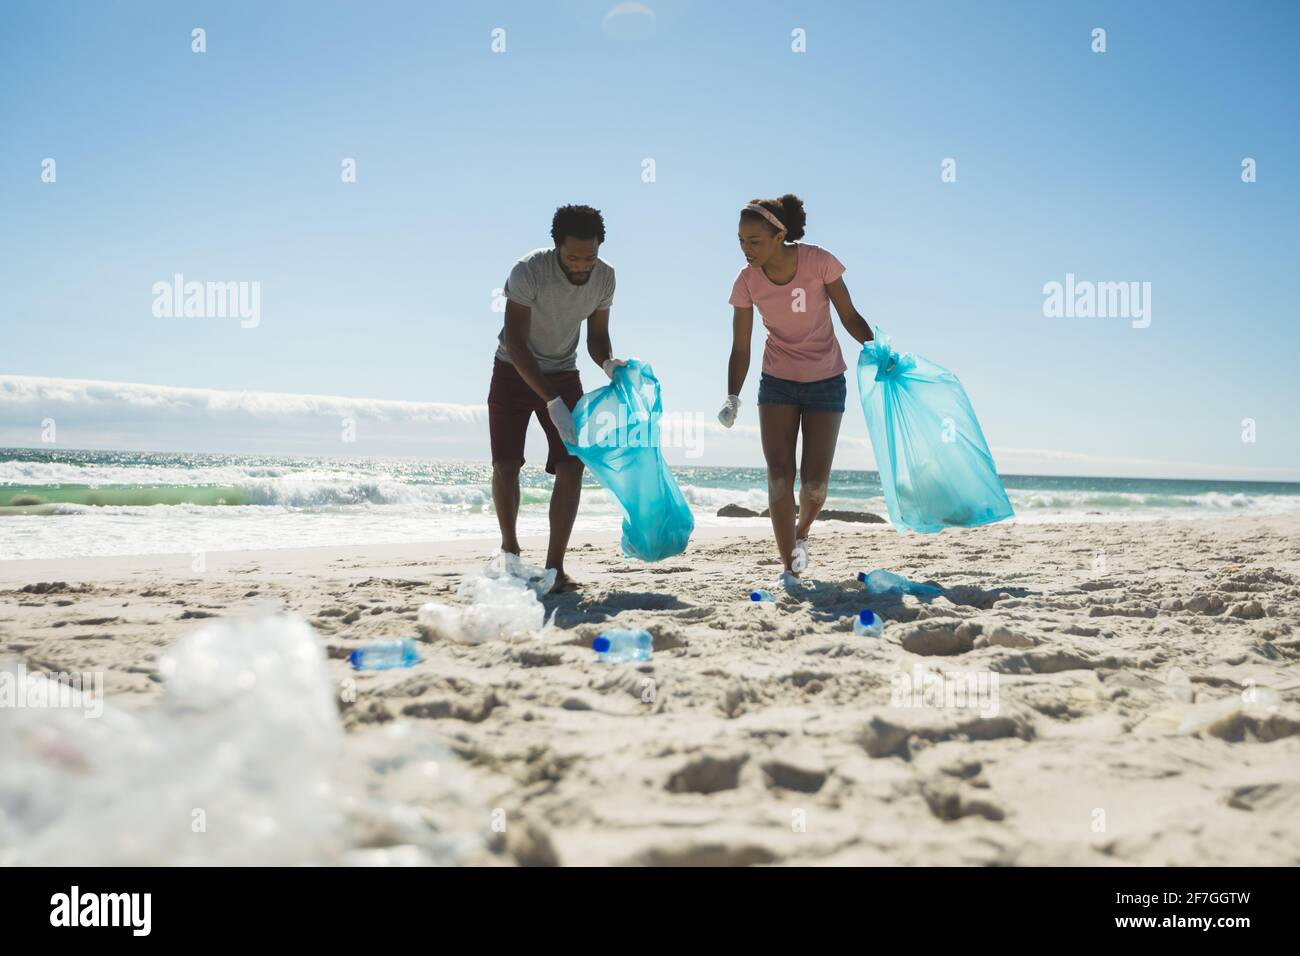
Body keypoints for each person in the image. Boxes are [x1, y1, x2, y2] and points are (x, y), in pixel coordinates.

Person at [718, 194, 874, 587]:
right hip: (778, 383)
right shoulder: (746, 281)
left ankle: (803, 530)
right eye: (741, 241)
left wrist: (876, 349)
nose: (746, 249)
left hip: (826, 381)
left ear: (779, 235)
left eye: (754, 241)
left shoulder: (819, 261)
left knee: (815, 484)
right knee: (778, 476)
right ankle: (789, 566)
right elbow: (741, 347)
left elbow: (849, 315)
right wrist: (732, 396)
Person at [488, 204, 626, 593]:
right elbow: (516, 340)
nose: (582, 266)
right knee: (507, 462)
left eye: (590, 257)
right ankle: (510, 551)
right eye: (573, 258)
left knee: (572, 465)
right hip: (514, 368)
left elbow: (597, 338)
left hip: (564, 372)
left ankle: (555, 568)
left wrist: (609, 364)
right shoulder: (528, 271)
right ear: (556, 248)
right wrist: (550, 400)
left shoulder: (605, 277)